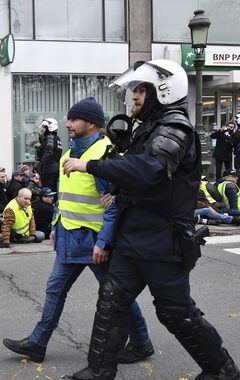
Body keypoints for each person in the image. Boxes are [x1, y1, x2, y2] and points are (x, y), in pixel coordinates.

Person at [61, 60, 239, 379]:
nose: (135, 96)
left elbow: (149, 171)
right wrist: (115, 181)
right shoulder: (147, 128)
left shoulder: (175, 127)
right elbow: (133, 174)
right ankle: (99, 371)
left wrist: (92, 167)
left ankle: (222, 370)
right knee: (111, 301)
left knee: (176, 312)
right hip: (134, 236)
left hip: (163, 239)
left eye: (142, 89)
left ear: (164, 90)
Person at [4, 97, 153, 368]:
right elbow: (64, 196)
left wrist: (105, 242)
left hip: (95, 241)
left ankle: (141, 341)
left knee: (116, 296)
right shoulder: (68, 153)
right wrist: (54, 226)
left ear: (92, 123)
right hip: (68, 237)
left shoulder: (104, 155)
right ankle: (38, 343)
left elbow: (114, 203)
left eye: (73, 119)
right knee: (54, 290)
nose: (67, 123)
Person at [36, 118, 63, 191]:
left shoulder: (50, 137)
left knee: (47, 191)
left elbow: (49, 151)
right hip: (55, 168)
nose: (43, 129)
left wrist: (40, 163)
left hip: (48, 168)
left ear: (50, 127)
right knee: (53, 190)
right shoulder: (57, 138)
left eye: (45, 127)